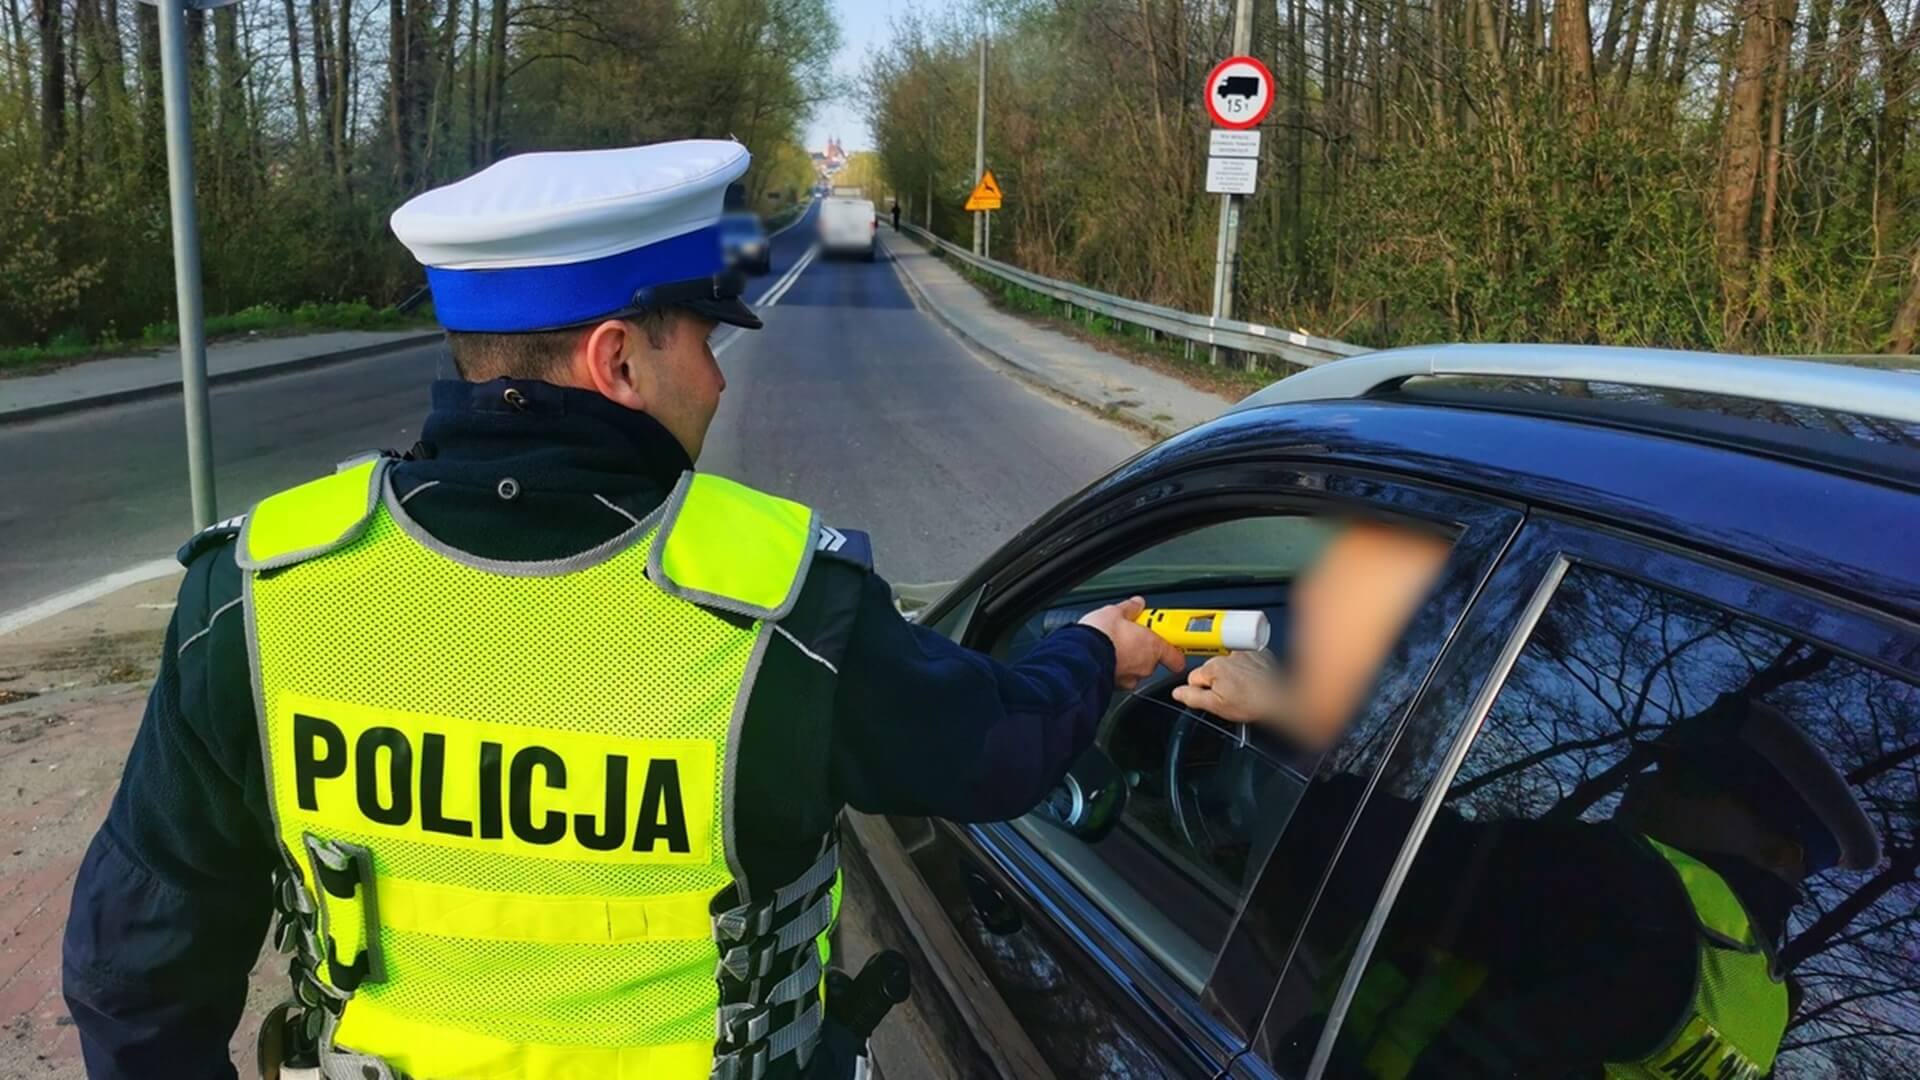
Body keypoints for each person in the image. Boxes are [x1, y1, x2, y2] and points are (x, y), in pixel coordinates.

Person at [60, 140, 1184, 1080]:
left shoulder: (257, 597)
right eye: (699, 337)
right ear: (618, 362)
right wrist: (1096, 650)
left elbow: (134, 969)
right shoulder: (779, 611)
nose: (721, 378)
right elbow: (996, 753)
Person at [1174, 524, 1880, 1078]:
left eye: (1686, 781)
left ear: (1778, 853)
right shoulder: (1765, 1004)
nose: (1645, 782)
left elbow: (1379, 858)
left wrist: (1278, 715)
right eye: (1661, 766)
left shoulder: (1631, 889)